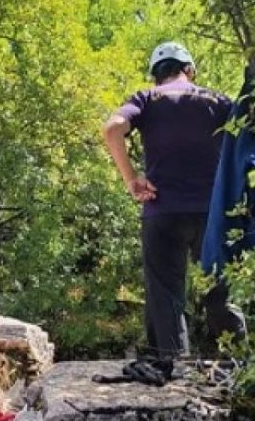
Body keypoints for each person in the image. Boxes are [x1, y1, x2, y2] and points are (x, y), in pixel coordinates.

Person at [102, 41, 244, 357]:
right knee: (221, 291)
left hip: (162, 211)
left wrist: (131, 179)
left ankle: (171, 366)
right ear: (189, 70)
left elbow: (112, 129)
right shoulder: (217, 100)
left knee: (164, 294)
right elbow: (249, 136)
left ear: (156, 75)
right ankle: (238, 361)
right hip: (212, 213)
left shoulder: (146, 99)